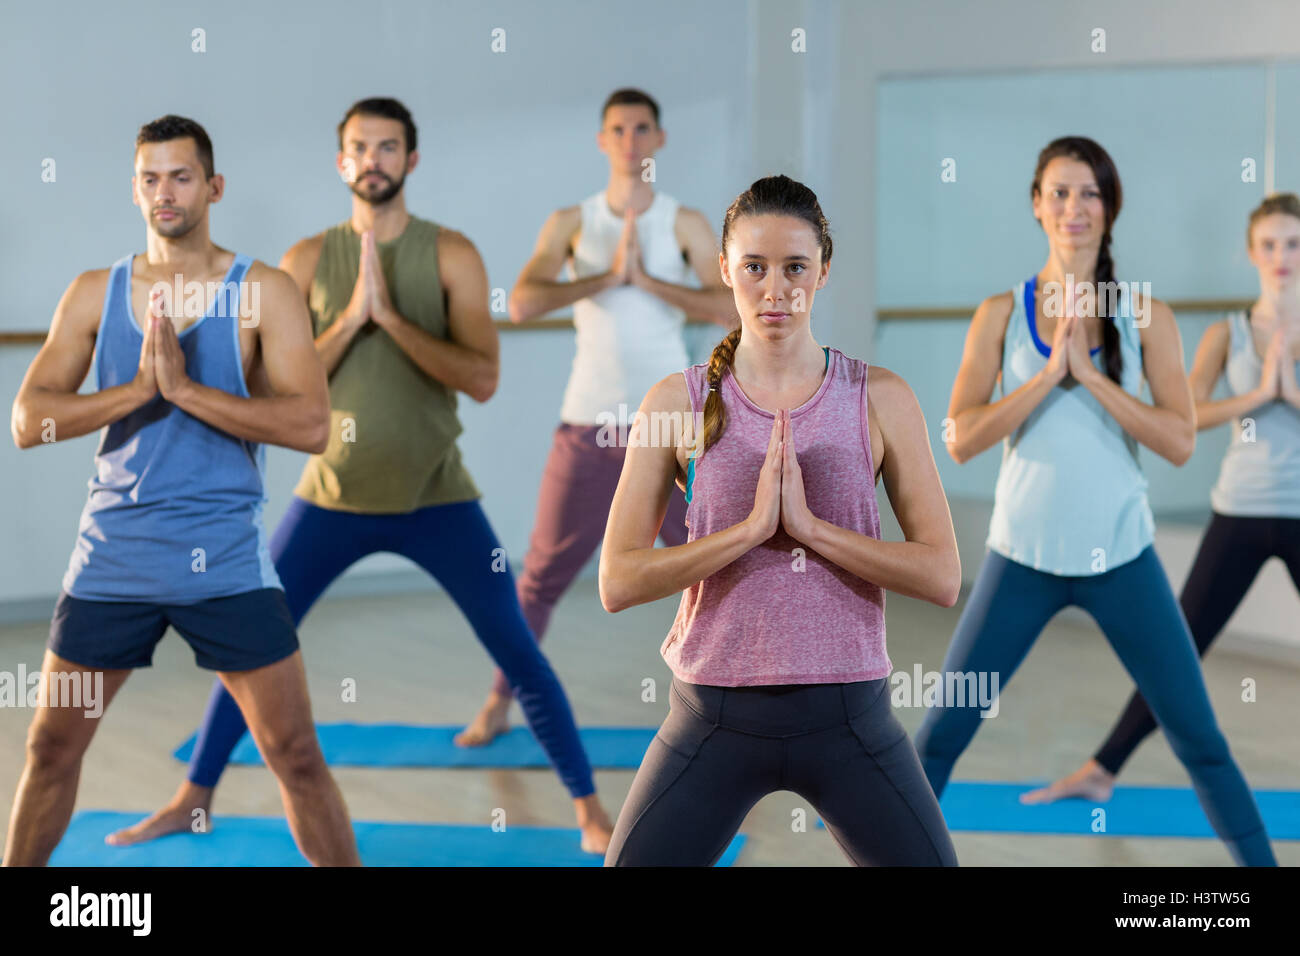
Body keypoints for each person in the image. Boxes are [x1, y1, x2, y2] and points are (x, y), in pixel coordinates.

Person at [105, 98, 614, 854]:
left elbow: (482, 379)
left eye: (388, 147)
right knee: (249, 650)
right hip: (329, 500)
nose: (372, 160)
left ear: (411, 159)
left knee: (517, 650)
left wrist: (395, 320)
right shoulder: (307, 260)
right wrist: (351, 319)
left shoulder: (452, 254)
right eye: (359, 148)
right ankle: (191, 798)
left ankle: (590, 812)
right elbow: (274, 389)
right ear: (341, 162)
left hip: (438, 497)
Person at [4, 115, 359, 866]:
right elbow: (29, 421)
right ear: (134, 191)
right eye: (151, 179)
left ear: (213, 186)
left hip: (223, 560)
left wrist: (188, 392)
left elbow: (310, 424)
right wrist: (138, 391)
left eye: (181, 176)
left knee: (295, 754)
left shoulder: (262, 290)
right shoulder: (95, 293)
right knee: (50, 748)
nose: (165, 192)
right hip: (114, 557)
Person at [913, 136, 1277, 866]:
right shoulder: (999, 314)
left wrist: (1096, 381)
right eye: (1059, 192)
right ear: (1036, 204)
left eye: (1089, 192)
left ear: (1110, 208)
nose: (1073, 207)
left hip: (1122, 561)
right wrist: (1049, 376)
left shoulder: (1146, 316)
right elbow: (959, 438)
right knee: (941, 737)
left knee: (1201, 741)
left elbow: (1179, 440)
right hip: (1020, 559)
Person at [599, 174, 961, 866]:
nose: (775, 289)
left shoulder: (879, 397)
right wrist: (747, 532)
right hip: (713, 715)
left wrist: (813, 530)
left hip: (850, 717)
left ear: (823, 270)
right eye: (754, 267)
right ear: (724, 269)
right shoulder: (675, 402)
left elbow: (942, 575)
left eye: (795, 267)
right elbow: (617, 580)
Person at [457, 88, 739, 747]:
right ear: (602, 140)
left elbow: (730, 308)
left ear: (659, 139)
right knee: (541, 575)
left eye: (642, 128)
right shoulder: (571, 222)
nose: (630, 140)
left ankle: (740, 702)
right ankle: (499, 701)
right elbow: (523, 302)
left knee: (713, 562)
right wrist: (607, 276)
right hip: (588, 422)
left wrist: (648, 281)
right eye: (618, 129)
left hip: (670, 427)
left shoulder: (684, 223)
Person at [1021, 192, 1300, 806]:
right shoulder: (1228, 333)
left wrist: (1291, 391)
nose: (1282, 255)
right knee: (1179, 650)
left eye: (1293, 243)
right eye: (1270, 244)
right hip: (1241, 509)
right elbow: (1187, 417)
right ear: (1252, 252)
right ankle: (1102, 770)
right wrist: (1260, 395)